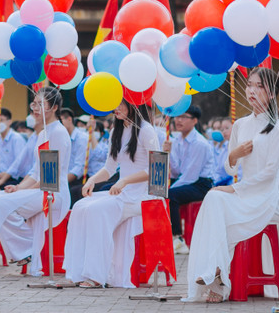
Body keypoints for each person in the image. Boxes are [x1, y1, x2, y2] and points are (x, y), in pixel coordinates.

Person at [185, 67, 279, 303]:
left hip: (266, 196)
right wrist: (233, 155)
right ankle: (216, 272)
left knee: (219, 199)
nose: (252, 91)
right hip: (245, 191)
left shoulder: (277, 127)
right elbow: (230, 169)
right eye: (250, 85)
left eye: (259, 86)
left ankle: (217, 271)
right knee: (213, 198)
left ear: (272, 93)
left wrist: (235, 189)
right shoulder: (240, 125)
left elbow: (269, 173)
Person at [63, 100, 161, 288]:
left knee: (97, 211)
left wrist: (125, 181)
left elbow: (155, 170)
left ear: (134, 105)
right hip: (121, 191)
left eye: (121, 104)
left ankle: (97, 275)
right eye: (114, 104)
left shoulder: (146, 130)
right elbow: (109, 167)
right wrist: (92, 180)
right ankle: (77, 271)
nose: (116, 108)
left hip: (142, 194)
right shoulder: (116, 131)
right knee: (80, 206)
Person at [0, 87, 72, 276]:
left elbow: (49, 176)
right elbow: (34, 172)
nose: (35, 108)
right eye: (33, 104)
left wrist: (23, 191)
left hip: (54, 192)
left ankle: (26, 247)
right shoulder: (42, 133)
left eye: (40, 104)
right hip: (41, 189)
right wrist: (18, 187)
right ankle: (26, 247)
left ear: (53, 108)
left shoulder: (58, 133)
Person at [164, 105, 214, 255]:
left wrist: (169, 189)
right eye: (177, 116)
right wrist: (168, 153)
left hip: (201, 184)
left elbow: (190, 175)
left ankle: (177, 238)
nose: (178, 120)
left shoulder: (199, 143)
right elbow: (176, 171)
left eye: (184, 117)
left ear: (194, 121)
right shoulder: (177, 140)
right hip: (185, 179)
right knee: (156, 190)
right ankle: (164, 235)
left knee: (170, 194)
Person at [0, 113, 42, 189]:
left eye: (35, 114)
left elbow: (19, 165)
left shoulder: (17, 139)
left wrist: (21, 188)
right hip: (26, 179)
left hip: (25, 179)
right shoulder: (33, 137)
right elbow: (19, 161)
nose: (30, 117)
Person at [60, 108, 88, 192]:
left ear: (69, 119)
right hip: (65, 178)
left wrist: (61, 182)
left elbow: (79, 167)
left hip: (80, 179)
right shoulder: (62, 137)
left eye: (61, 122)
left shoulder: (82, 138)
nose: (59, 126)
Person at [0, 109, 24, 180]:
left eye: (1, 120)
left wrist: (5, 174)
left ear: (9, 122)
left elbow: (19, 164)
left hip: (13, 179)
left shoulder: (16, 139)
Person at [212, 117, 233, 187]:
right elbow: (219, 171)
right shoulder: (225, 147)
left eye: (227, 128)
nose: (224, 131)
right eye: (222, 129)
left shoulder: (240, 146)